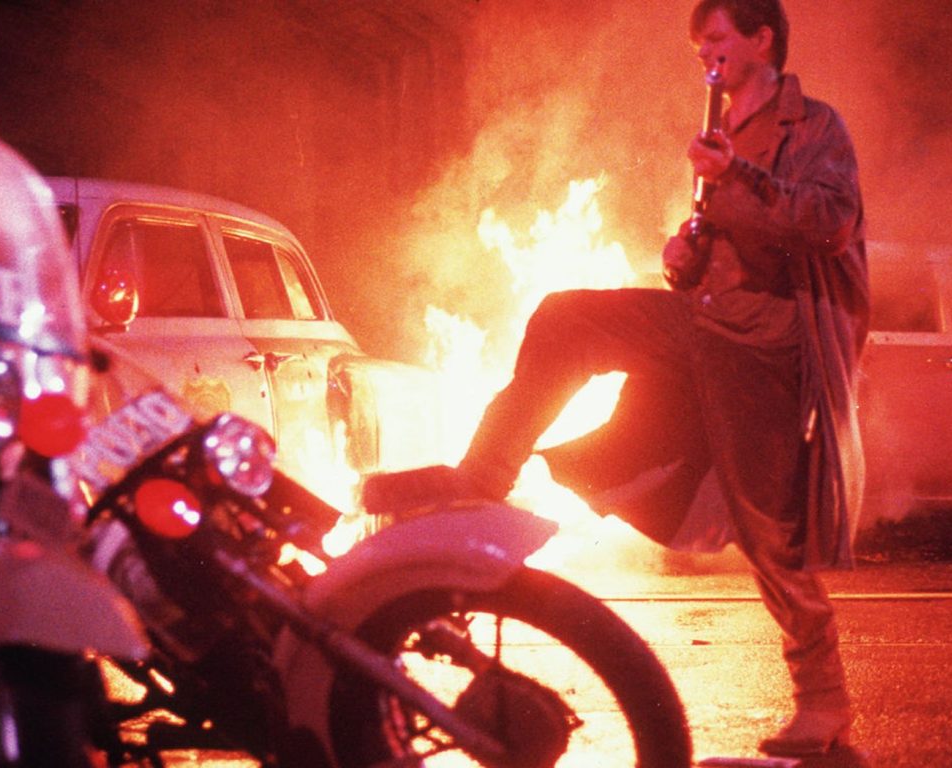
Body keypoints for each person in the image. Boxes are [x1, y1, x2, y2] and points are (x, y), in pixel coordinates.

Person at [364, 0, 868, 758]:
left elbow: (828, 222)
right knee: (567, 319)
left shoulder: (812, 125)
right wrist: (685, 254)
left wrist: (736, 176)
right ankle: (482, 476)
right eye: (699, 44)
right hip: (704, 325)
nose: (706, 54)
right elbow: (719, 244)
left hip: (766, 350)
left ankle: (823, 702)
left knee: (769, 532)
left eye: (719, 38)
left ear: (763, 40)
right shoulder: (721, 128)